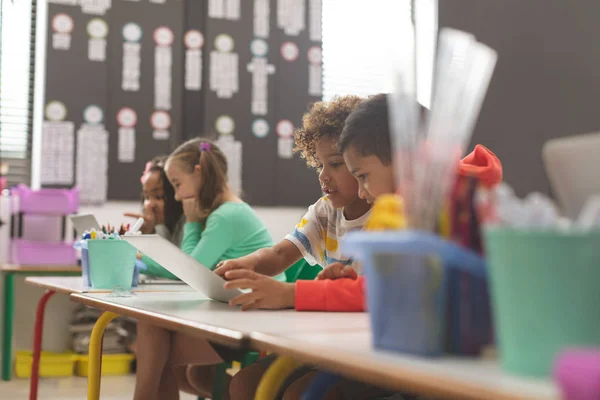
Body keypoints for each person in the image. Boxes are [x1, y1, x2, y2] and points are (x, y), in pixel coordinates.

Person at [133, 138, 281, 400]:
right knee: (183, 368)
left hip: (257, 317)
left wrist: (138, 255)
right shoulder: (220, 213)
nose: (177, 196)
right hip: (236, 309)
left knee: (153, 341)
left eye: (177, 185)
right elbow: (193, 267)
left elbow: (189, 269)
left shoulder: (225, 216)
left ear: (198, 172)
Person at [125, 155, 184, 279]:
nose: (149, 204)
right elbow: (147, 275)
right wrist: (147, 234)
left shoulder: (187, 226)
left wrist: (158, 229)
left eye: (159, 196)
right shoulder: (156, 227)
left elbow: (171, 269)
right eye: (146, 197)